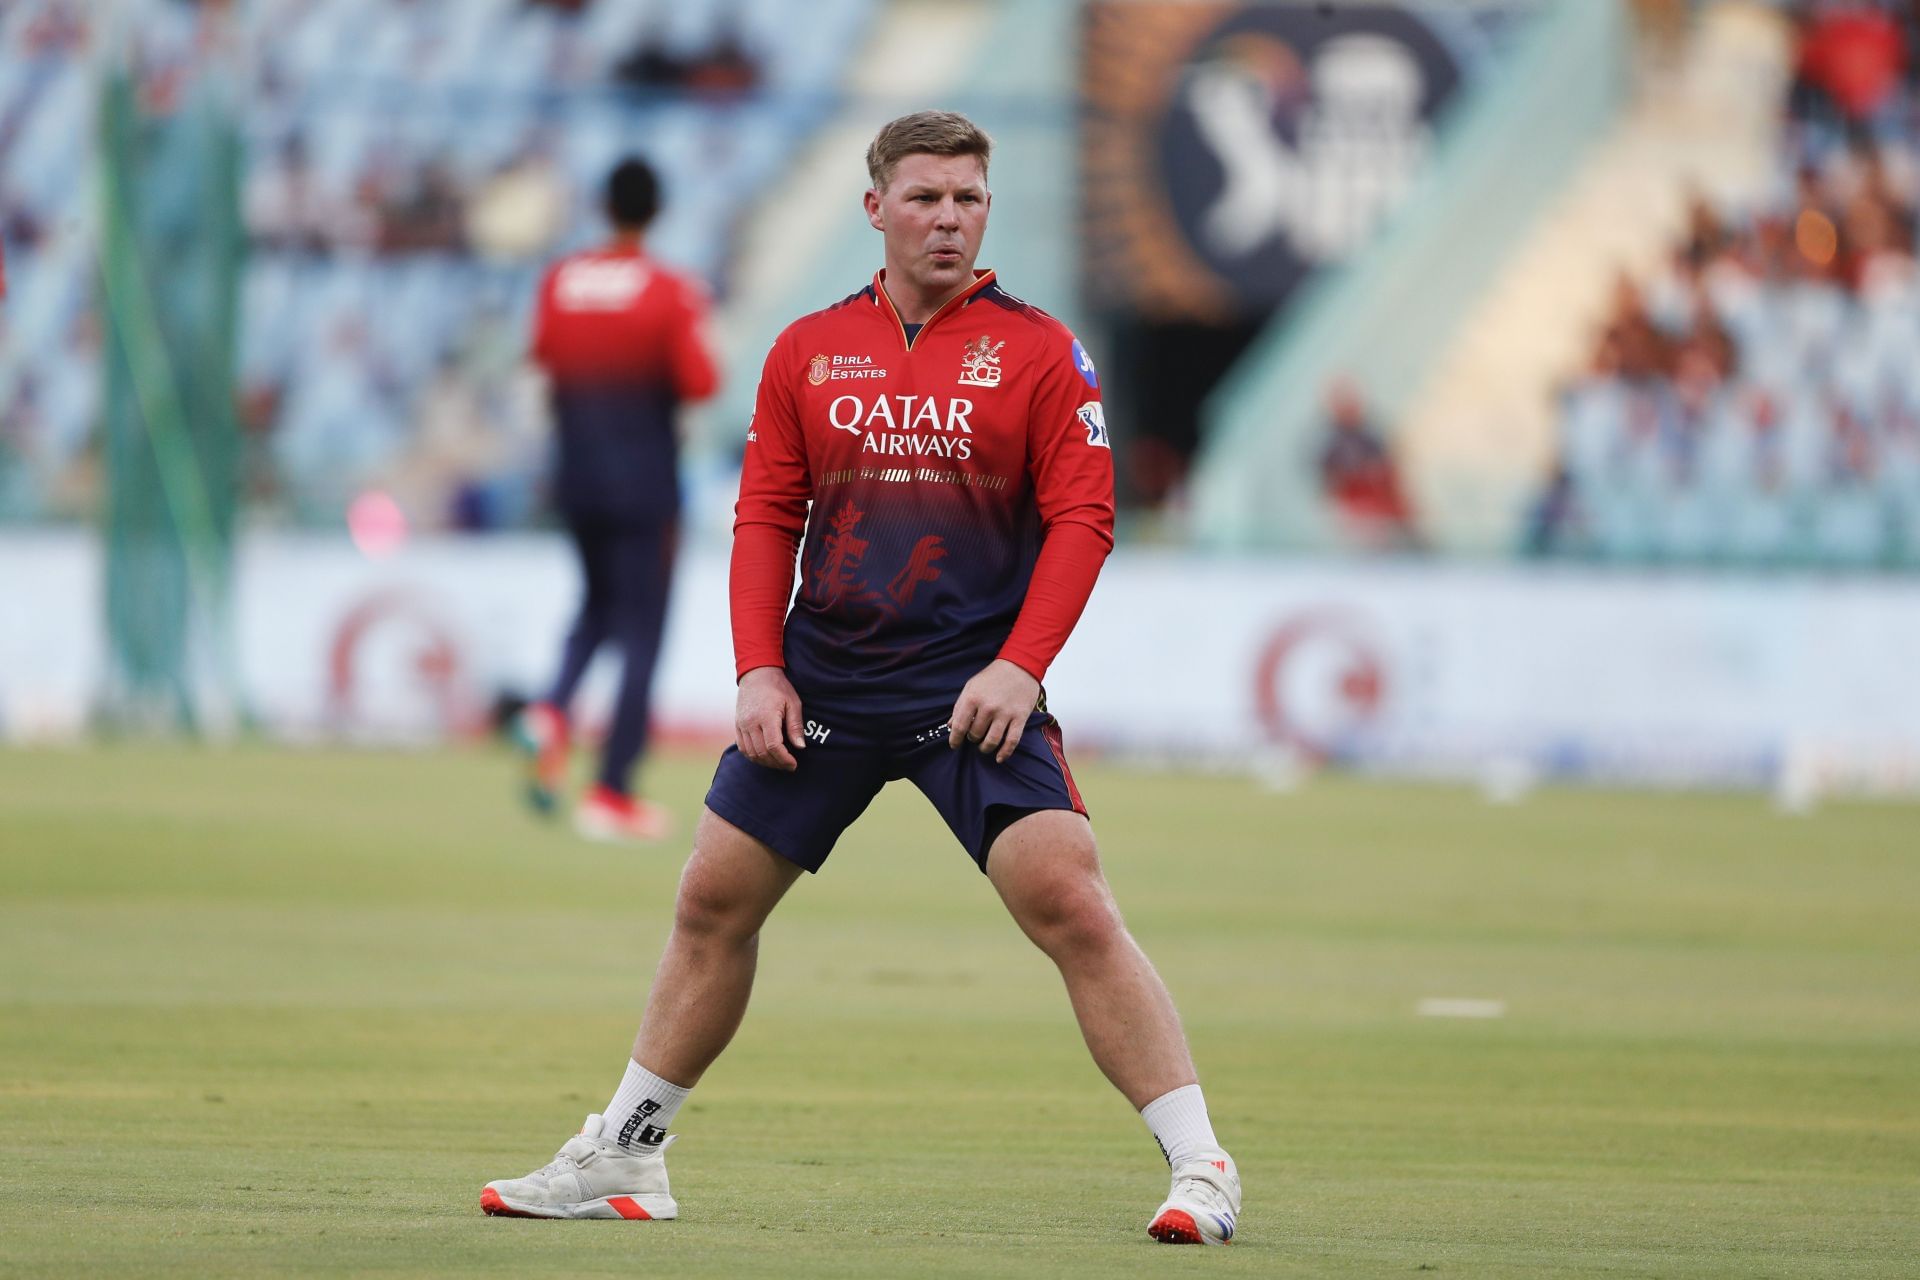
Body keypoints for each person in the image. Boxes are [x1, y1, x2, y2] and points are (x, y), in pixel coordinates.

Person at [481, 111, 1242, 1245]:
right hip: (823, 682)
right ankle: (628, 1154)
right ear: (875, 206)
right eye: (927, 197)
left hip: (967, 689)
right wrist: (757, 669)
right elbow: (763, 518)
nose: (949, 217)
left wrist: (1020, 667)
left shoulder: (1039, 351)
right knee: (710, 901)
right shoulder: (805, 350)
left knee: (1068, 899)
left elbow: (1085, 519)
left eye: (969, 198)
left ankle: (1203, 1168)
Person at [516, 156, 720, 840]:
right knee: (641, 632)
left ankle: (549, 711)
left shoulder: (561, 280)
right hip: (644, 483)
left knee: (595, 609)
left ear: (603, 206)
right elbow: (699, 381)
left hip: (574, 475)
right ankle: (611, 791)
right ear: (656, 211)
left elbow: (541, 361)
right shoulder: (669, 289)